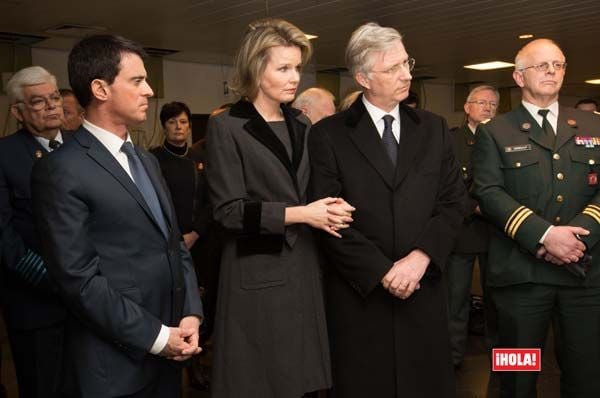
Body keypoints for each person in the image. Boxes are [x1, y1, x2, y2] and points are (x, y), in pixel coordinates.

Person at [31, 34, 203, 398]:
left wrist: (190, 313)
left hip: (169, 352)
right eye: (138, 80)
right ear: (100, 88)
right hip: (115, 366)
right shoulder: (62, 169)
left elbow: (173, 245)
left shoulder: (147, 160)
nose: (149, 90)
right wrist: (156, 337)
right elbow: (79, 281)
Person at [309, 22, 465, 397]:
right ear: (363, 77)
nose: (406, 74)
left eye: (406, 63)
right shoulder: (328, 135)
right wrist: (382, 271)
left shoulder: (434, 128)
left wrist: (420, 257)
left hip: (422, 290)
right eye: (392, 68)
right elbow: (328, 217)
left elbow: (453, 201)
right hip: (360, 296)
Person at [205, 18, 354, 398]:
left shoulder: (301, 123)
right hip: (256, 273)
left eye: (297, 68)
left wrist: (331, 207)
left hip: (304, 267)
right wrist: (303, 214)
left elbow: (309, 189)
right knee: (261, 382)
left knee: (302, 382)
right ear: (256, 69)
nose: (294, 78)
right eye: (283, 68)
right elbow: (227, 211)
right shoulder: (228, 127)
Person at [472, 38, 600, 397]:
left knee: (587, 373)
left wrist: (579, 237)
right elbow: (488, 192)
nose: (551, 71)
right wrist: (546, 236)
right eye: (541, 65)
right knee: (515, 376)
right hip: (520, 279)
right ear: (518, 76)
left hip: (584, 275)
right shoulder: (494, 131)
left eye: (558, 65)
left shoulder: (593, 124)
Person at [0, 66, 68, 398]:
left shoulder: (82, 148)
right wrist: (56, 281)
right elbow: (4, 238)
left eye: (54, 97)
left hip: (90, 305)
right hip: (37, 304)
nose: (52, 106)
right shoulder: (4, 155)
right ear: (18, 111)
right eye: (38, 102)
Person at [150, 101, 215, 390]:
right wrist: (177, 238)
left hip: (201, 242)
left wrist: (196, 233)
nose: (179, 128)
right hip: (168, 244)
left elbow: (212, 200)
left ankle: (197, 361)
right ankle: (177, 362)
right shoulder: (153, 159)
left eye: (184, 122)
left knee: (202, 306)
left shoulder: (201, 158)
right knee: (175, 306)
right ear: (163, 126)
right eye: (173, 122)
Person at [447, 85, 499, 367]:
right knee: (456, 299)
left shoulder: (504, 138)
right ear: (467, 108)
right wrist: (473, 207)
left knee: (497, 300)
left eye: (493, 104)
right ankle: (452, 358)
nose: (488, 108)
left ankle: (499, 357)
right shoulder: (451, 140)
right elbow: (447, 185)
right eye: (482, 102)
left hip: (497, 230)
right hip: (463, 230)